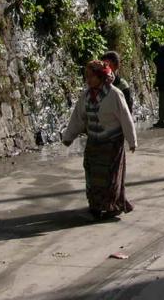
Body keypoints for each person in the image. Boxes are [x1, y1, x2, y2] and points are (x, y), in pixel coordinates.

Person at [62, 60, 137, 219]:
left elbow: (125, 118)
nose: (87, 80)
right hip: (94, 142)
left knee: (110, 176)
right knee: (92, 174)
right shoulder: (86, 96)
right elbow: (78, 118)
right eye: (86, 76)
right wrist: (69, 136)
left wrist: (132, 141)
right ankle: (95, 205)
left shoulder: (115, 94)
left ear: (101, 77)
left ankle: (112, 206)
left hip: (112, 143)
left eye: (91, 76)